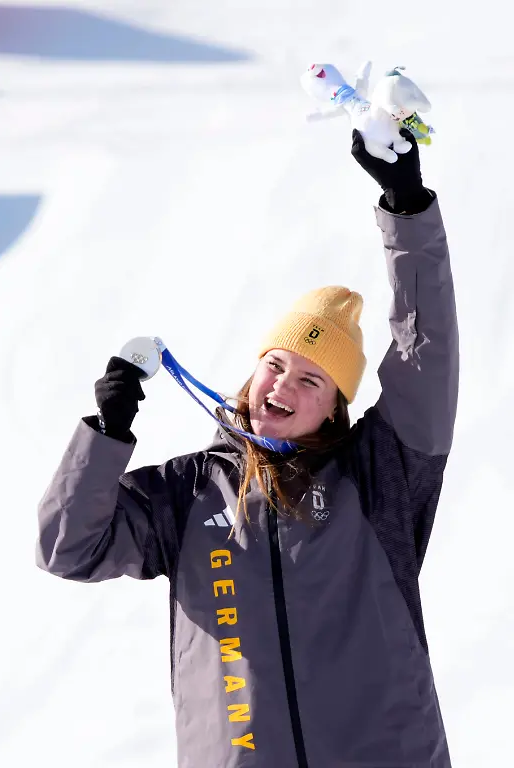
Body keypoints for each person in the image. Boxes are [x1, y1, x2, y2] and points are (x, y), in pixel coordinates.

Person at [36, 128, 459, 768]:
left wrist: (407, 209)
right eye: (275, 364)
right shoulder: (187, 492)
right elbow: (68, 548)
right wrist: (107, 432)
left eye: (312, 378)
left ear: (335, 406)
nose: (284, 384)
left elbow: (426, 359)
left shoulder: (379, 477)